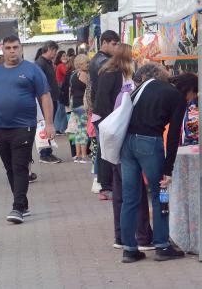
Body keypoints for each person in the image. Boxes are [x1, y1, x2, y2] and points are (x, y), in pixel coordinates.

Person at [0, 35, 55, 224]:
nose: (12, 51)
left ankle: (18, 207)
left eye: (15, 47)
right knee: (10, 168)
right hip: (1, 127)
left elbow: (45, 96)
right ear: (2, 50)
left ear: (21, 49)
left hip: (24, 126)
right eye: (8, 48)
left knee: (20, 166)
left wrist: (50, 123)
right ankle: (24, 204)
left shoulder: (32, 70)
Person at [120, 66, 192, 263]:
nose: (192, 100)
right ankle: (162, 245)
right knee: (160, 195)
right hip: (150, 144)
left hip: (126, 143)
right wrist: (168, 169)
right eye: (193, 95)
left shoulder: (147, 85)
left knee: (130, 198)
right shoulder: (177, 98)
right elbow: (174, 135)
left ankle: (129, 248)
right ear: (189, 90)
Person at [95, 43, 154, 251]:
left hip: (113, 135)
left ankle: (121, 235)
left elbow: (101, 105)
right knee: (132, 188)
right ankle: (141, 236)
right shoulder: (117, 76)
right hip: (120, 134)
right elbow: (107, 106)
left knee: (120, 188)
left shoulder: (108, 73)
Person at [89, 30, 121, 198]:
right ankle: (105, 185)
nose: (116, 48)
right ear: (105, 42)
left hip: (100, 111)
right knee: (106, 148)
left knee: (104, 148)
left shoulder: (98, 60)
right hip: (104, 112)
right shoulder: (104, 63)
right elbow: (103, 93)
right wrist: (108, 117)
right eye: (114, 44)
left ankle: (103, 184)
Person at [35, 41, 64, 164]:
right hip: (46, 100)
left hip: (52, 98)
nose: (55, 54)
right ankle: (45, 153)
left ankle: (48, 151)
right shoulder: (40, 63)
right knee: (46, 124)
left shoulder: (47, 63)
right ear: (49, 49)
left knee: (49, 124)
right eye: (55, 51)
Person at [67, 55, 90, 163]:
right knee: (83, 130)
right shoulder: (84, 74)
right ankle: (84, 155)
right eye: (87, 63)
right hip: (82, 104)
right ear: (81, 64)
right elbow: (90, 87)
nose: (88, 65)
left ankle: (77, 155)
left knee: (77, 131)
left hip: (75, 104)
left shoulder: (73, 75)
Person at [53, 50, 69, 133]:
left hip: (60, 88)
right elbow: (66, 72)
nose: (65, 57)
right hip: (61, 89)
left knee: (61, 109)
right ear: (59, 58)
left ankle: (60, 128)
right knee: (61, 109)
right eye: (63, 56)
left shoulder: (60, 65)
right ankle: (58, 128)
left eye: (65, 55)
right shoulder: (61, 65)